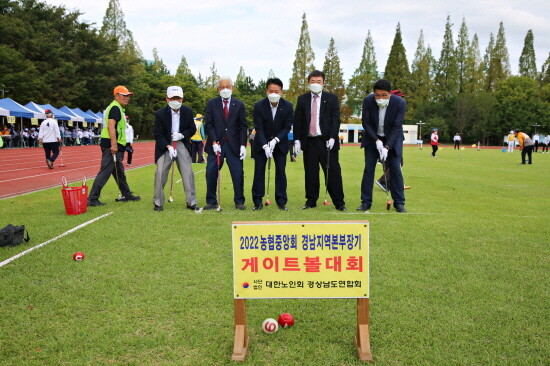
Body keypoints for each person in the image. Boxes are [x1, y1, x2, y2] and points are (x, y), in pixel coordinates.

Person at [88, 85, 140, 206]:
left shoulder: (117, 108)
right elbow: (111, 126)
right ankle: (92, 198)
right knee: (106, 170)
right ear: (116, 96)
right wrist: (114, 144)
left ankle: (126, 194)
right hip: (111, 144)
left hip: (115, 143)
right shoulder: (115, 108)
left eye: (128, 96)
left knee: (119, 171)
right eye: (124, 95)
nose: (127, 98)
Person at [359, 79, 407, 213]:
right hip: (372, 138)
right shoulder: (368, 101)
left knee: (395, 170)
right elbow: (366, 122)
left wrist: (387, 147)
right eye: (377, 95)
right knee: (369, 169)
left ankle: (399, 203)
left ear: (390, 94)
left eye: (384, 95)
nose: (380, 98)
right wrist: (376, 140)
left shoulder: (400, 103)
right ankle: (366, 202)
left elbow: (397, 127)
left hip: (393, 139)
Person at [203, 76, 248, 210]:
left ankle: (239, 201)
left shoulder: (239, 104)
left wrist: (242, 145)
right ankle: (211, 201)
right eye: (222, 87)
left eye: (227, 86)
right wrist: (214, 141)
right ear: (218, 89)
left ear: (232, 88)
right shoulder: (212, 103)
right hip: (216, 144)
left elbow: (243, 126)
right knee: (211, 172)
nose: (225, 89)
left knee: (238, 173)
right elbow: (209, 124)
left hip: (233, 145)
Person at [152, 86, 198, 212]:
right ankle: (158, 202)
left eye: (178, 98)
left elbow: (192, 128)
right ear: (167, 99)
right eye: (173, 98)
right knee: (160, 172)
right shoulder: (160, 113)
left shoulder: (187, 111)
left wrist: (182, 135)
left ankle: (191, 201)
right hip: (165, 144)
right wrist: (168, 146)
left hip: (181, 142)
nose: (176, 100)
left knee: (187, 172)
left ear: (182, 99)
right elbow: (157, 134)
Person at [251, 78, 293, 211]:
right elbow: (259, 127)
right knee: (259, 172)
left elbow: (287, 127)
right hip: (261, 144)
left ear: (281, 92)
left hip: (280, 144)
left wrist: (275, 140)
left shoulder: (288, 106)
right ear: (266, 91)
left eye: (276, 91)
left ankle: (281, 201)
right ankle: (257, 201)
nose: (273, 93)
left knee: (281, 172)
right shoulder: (259, 106)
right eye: (271, 91)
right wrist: (264, 145)